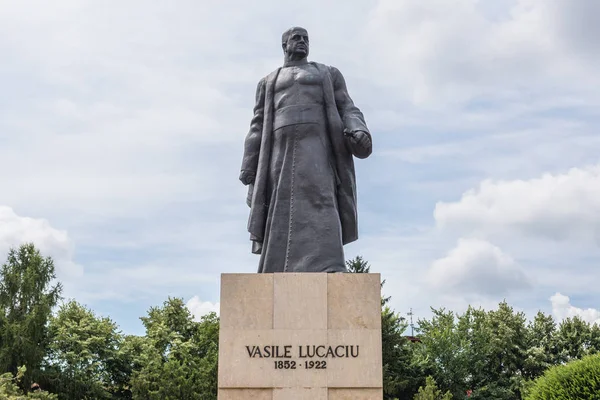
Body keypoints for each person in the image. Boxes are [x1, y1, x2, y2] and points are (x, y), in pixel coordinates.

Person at [240, 26, 372, 273]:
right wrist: (249, 166)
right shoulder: (269, 82)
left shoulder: (327, 74)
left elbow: (347, 107)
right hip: (279, 150)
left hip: (318, 146)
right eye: (296, 38)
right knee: (279, 204)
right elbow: (257, 125)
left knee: (322, 197)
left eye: (306, 39)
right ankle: (276, 267)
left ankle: (330, 264)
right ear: (284, 46)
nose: (302, 42)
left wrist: (359, 130)